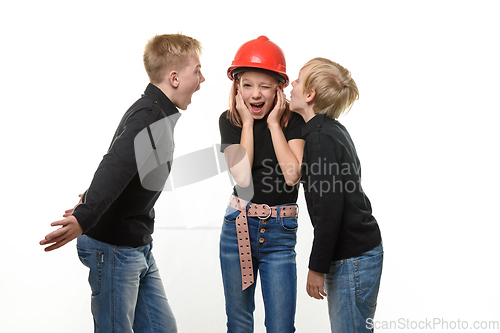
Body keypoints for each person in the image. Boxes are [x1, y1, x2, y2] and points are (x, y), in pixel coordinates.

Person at [39, 33, 205, 333]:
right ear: (175, 78)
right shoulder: (150, 117)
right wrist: (84, 216)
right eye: (197, 71)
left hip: (136, 245)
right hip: (112, 248)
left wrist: (91, 197)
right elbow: (114, 165)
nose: (202, 79)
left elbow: (128, 170)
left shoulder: (156, 112)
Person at [289, 57, 383, 333]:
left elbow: (329, 209)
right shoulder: (329, 130)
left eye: (297, 79)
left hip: (352, 259)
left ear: (309, 95)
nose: (291, 84)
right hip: (359, 253)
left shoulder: (319, 141)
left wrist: (316, 268)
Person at [219, 36, 305, 333]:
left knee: (282, 327)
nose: (255, 94)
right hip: (238, 228)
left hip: (280, 234)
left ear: (279, 89)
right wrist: (247, 125)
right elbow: (242, 178)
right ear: (237, 86)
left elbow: (293, 175)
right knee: (239, 324)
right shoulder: (230, 120)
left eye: (265, 86)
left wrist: (272, 124)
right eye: (247, 85)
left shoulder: (293, 121)